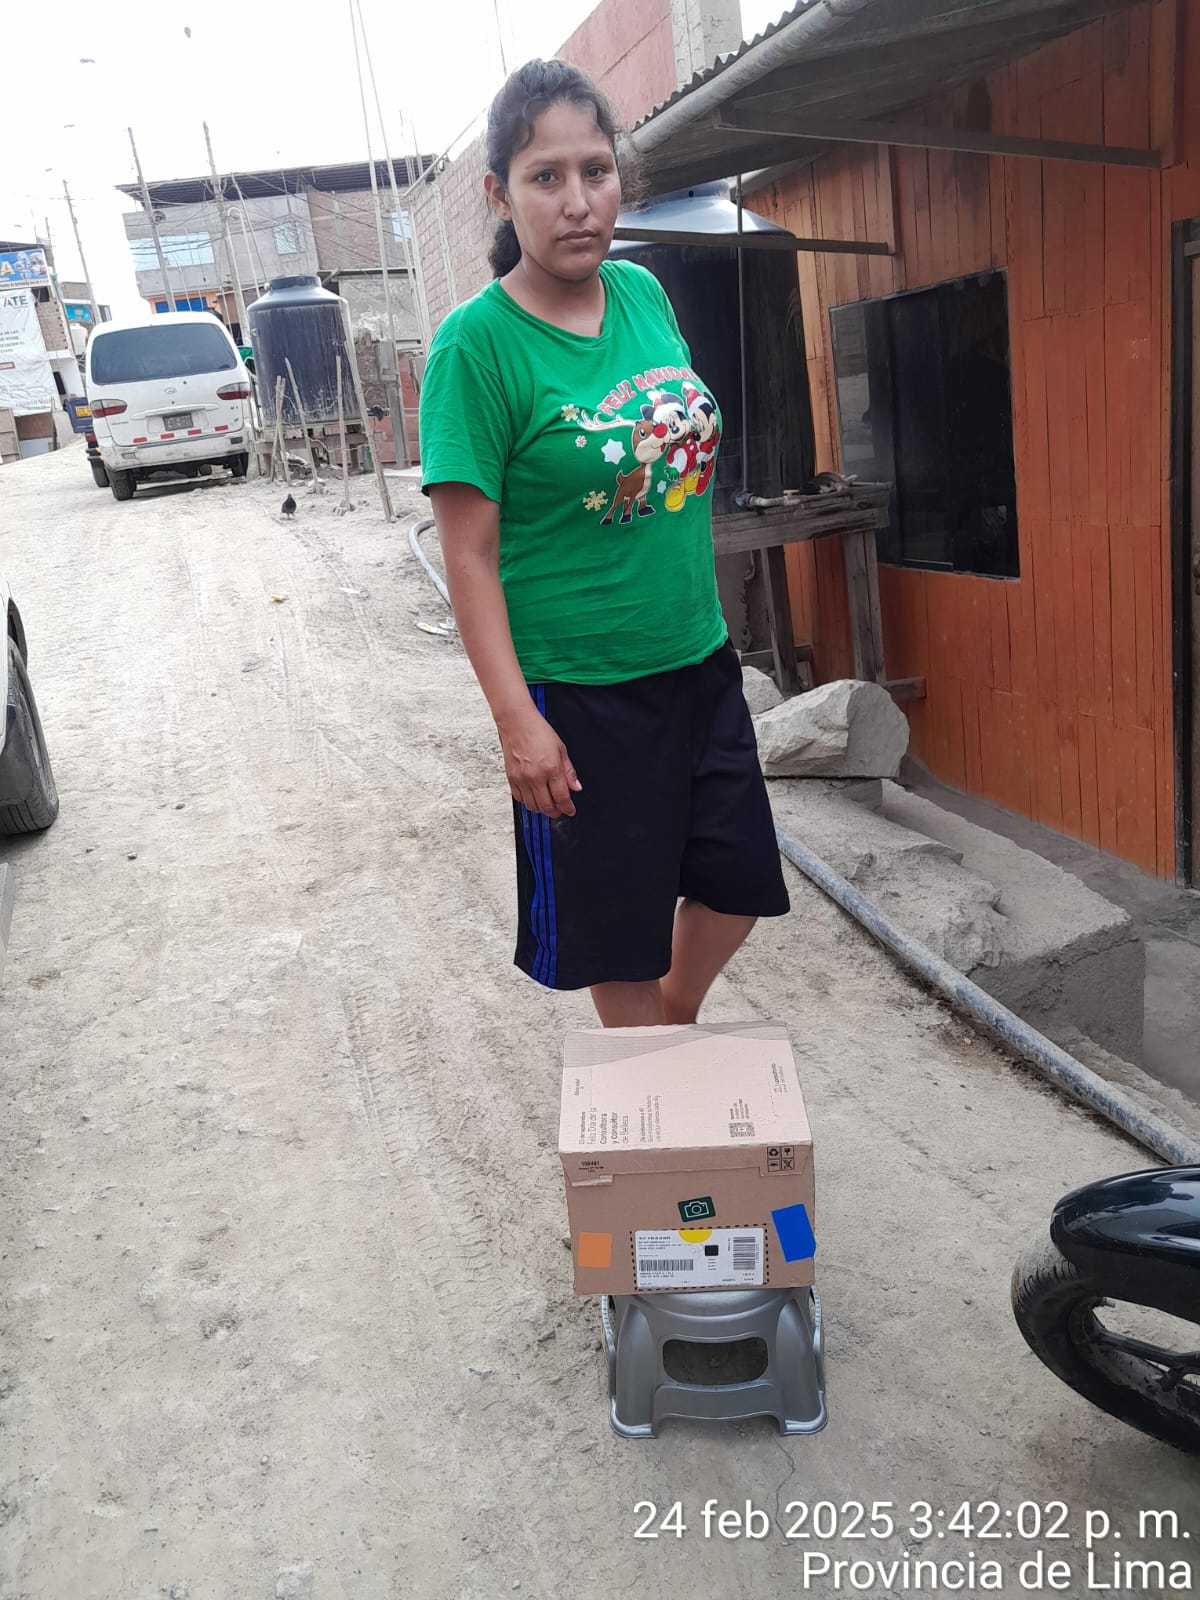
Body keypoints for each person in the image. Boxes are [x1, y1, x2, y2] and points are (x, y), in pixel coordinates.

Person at [419, 59, 789, 1028]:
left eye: (596, 170)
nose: (578, 202)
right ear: (500, 194)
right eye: (546, 177)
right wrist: (517, 723)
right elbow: (469, 557)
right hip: (580, 693)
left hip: (697, 661)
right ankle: (650, 1091)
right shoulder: (476, 347)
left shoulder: (643, 295)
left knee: (741, 885)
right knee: (617, 937)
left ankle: (675, 1018)